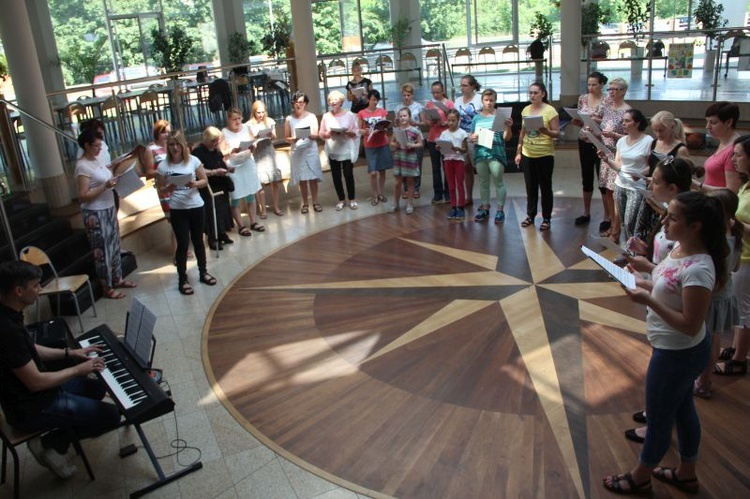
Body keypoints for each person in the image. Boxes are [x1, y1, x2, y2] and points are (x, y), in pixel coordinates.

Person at [603, 191, 727, 495]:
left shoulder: (699, 269)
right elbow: (666, 283)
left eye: (672, 217)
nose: (664, 220)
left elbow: (690, 324)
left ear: (695, 225)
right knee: (683, 412)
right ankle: (687, 473)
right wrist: (641, 277)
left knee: (659, 420)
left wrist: (647, 299)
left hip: (678, 354)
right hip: (672, 350)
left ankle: (640, 477)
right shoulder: (680, 249)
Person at [0, 260, 120, 479]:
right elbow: (35, 382)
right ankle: (50, 443)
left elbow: (30, 349)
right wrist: (77, 370)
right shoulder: (7, 331)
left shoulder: (9, 312)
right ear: (18, 291)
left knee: (96, 389)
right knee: (112, 416)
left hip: (34, 394)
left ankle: (61, 433)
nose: (40, 290)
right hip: (31, 407)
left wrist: (70, 354)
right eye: (35, 286)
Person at [75, 129, 135, 299]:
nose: (100, 149)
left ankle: (117, 278)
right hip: (95, 213)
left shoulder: (95, 160)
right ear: (86, 146)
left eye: (101, 145)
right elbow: (83, 195)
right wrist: (105, 186)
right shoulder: (82, 166)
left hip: (108, 207)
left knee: (115, 245)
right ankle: (106, 286)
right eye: (96, 146)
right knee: (103, 250)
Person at [693, 189, 742, 396]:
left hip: (712, 298)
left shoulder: (718, 241)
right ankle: (705, 380)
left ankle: (703, 382)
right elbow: (736, 267)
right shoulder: (735, 235)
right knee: (715, 338)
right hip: (725, 295)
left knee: (708, 341)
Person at [156, 130, 216, 295]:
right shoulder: (163, 166)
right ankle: (182, 279)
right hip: (178, 208)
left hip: (196, 206)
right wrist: (168, 188)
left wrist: (194, 184)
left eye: (177, 144)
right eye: (171, 144)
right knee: (183, 244)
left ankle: (203, 272)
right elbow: (160, 191)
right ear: (167, 147)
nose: (174, 148)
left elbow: (204, 180)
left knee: (198, 241)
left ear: (183, 145)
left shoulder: (193, 161)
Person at [713, 134, 750, 376]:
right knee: (739, 305)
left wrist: (733, 223)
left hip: (748, 257)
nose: (733, 159)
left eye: (738, 155)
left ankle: (739, 359)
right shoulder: (746, 185)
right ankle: (737, 346)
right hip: (741, 253)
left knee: (745, 309)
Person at [598, 109, 652, 243]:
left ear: (637, 123)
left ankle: (634, 252)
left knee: (630, 222)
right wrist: (606, 159)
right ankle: (629, 252)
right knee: (624, 223)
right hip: (620, 184)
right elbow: (618, 165)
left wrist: (640, 174)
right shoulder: (622, 141)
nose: (623, 123)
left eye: (627, 121)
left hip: (636, 187)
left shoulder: (648, 141)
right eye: (623, 120)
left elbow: (651, 166)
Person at [515, 81, 559, 231]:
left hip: (545, 154)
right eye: (531, 93)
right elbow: (522, 132)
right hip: (528, 153)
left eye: (535, 93)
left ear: (543, 94)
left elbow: (557, 133)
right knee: (530, 187)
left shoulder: (550, 111)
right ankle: (530, 215)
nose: (532, 95)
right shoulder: (526, 110)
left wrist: (545, 131)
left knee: (545, 187)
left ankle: (546, 218)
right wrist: (518, 151)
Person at [470, 88, 513, 224]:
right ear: (482, 101)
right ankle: (485, 207)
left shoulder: (500, 117)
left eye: (492, 100)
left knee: (498, 181)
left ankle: (500, 210)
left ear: (495, 101)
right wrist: (473, 137)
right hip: (481, 153)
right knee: (483, 182)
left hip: (496, 153)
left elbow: (507, 138)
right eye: (486, 100)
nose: (489, 103)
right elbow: (471, 136)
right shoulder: (476, 118)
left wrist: (509, 127)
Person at [573, 71, 609, 226]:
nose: (591, 87)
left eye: (594, 84)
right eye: (589, 84)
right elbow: (582, 119)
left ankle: (607, 216)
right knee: (586, 178)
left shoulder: (607, 100)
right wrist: (579, 122)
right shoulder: (582, 99)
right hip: (584, 140)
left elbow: (610, 122)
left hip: (600, 141)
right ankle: (586, 212)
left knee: (602, 180)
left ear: (601, 84)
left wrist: (596, 120)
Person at [222, 107, 264, 235]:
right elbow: (221, 153)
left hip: (247, 163)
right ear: (228, 119)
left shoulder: (246, 128)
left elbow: (253, 143)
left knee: (251, 194)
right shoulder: (224, 132)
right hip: (235, 166)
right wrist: (231, 151)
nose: (237, 121)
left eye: (239, 118)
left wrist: (252, 147)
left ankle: (253, 222)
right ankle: (241, 225)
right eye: (234, 119)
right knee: (236, 196)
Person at [192, 127, 235, 250]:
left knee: (222, 209)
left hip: (221, 182)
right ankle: (212, 238)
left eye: (217, 141)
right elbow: (198, 170)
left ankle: (222, 233)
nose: (215, 143)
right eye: (213, 141)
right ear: (206, 139)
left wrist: (228, 168)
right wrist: (214, 172)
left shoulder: (216, 149)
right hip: (208, 185)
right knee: (212, 211)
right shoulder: (198, 152)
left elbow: (221, 162)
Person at [598, 78, 631, 237]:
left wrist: (614, 135)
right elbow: (602, 124)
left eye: (615, 89)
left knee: (616, 192)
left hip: (618, 155)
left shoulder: (627, 111)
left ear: (623, 91)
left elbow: (631, 136)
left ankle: (617, 229)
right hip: (606, 154)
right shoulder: (607, 107)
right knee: (608, 192)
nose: (610, 92)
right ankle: (612, 224)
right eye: (609, 89)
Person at [319, 90, 359, 210]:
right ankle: (341, 199)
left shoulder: (350, 115)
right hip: (333, 149)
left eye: (335, 99)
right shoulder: (326, 116)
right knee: (336, 176)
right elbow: (321, 133)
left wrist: (348, 132)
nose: (333, 102)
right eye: (331, 100)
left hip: (346, 148)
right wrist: (328, 133)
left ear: (341, 101)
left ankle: (352, 199)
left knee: (348, 175)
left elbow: (356, 132)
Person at [285, 91, 323, 214]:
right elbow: (286, 138)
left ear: (305, 103)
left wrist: (309, 135)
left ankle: (316, 201)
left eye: (301, 102)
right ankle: (305, 203)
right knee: (302, 179)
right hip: (298, 150)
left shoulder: (311, 116)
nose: (298, 105)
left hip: (310, 149)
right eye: (296, 102)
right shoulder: (289, 119)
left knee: (312, 177)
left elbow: (316, 134)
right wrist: (294, 138)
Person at [695, 101, 742, 194]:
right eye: (707, 122)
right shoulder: (724, 143)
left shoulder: (734, 149)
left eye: (713, 122)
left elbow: (731, 191)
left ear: (729, 122)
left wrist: (697, 185)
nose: (708, 126)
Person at [247, 100, 284, 217]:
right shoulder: (248, 124)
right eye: (258, 112)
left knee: (274, 181)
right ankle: (263, 208)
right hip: (257, 152)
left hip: (268, 150)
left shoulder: (269, 121)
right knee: (260, 182)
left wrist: (271, 135)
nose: (261, 115)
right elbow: (248, 140)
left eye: (263, 112)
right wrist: (255, 137)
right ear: (254, 112)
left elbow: (274, 137)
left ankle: (276, 206)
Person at [358, 89, 393, 205]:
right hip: (370, 144)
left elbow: (385, 126)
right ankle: (374, 194)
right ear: (368, 99)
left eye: (376, 100)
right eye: (372, 100)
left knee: (382, 170)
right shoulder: (362, 113)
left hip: (381, 142)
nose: (374, 102)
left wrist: (383, 128)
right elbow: (359, 130)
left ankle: (381, 193)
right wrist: (366, 131)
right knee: (373, 172)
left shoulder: (382, 112)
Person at [424, 81, 454, 204]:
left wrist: (445, 123)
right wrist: (431, 121)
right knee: (435, 167)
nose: (435, 95)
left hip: (446, 137)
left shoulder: (449, 104)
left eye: (437, 92)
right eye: (433, 92)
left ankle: (448, 193)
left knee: (447, 166)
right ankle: (437, 194)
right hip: (433, 138)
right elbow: (426, 121)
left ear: (442, 91)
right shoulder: (429, 104)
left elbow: (455, 120)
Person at [388, 107, 423, 214]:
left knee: (410, 182)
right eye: (401, 116)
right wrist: (396, 144)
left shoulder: (415, 130)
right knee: (397, 182)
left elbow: (421, 144)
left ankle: (409, 204)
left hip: (410, 157)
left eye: (405, 116)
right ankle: (395, 203)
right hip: (399, 157)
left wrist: (412, 145)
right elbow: (391, 143)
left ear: (409, 117)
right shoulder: (397, 130)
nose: (403, 118)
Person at [456, 75, 483, 205]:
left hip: (476, 137)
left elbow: (487, 115)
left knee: (480, 167)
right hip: (462, 137)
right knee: (466, 168)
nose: (462, 88)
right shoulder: (458, 100)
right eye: (461, 85)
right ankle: (469, 196)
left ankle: (485, 198)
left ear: (472, 86)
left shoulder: (480, 99)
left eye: (465, 85)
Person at [438, 109, 468, 221]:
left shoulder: (462, 133)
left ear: (458, 120)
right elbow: (441, 146)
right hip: (448, 160)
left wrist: (458, 148)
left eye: (453, 120)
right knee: (450, 185)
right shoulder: (444, 133)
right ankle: (453, 206)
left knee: (460, 184)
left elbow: (465, 149)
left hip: (458, 160)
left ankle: (461, 207)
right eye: (449, 120)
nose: (450, 123)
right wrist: (438, 147)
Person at [395, 83, 425, 199]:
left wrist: (415, 123)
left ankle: (416, 188)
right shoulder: (398, 108)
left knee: (416, 163)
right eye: (404, 95)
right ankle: (406, 188)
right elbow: (395, 124)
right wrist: (398, 121)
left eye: (408, 95)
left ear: (412, 95)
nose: (406, 97)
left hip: (415, 138)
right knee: (404, 164)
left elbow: (424, 123)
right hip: (403, 138)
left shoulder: (418, 107)